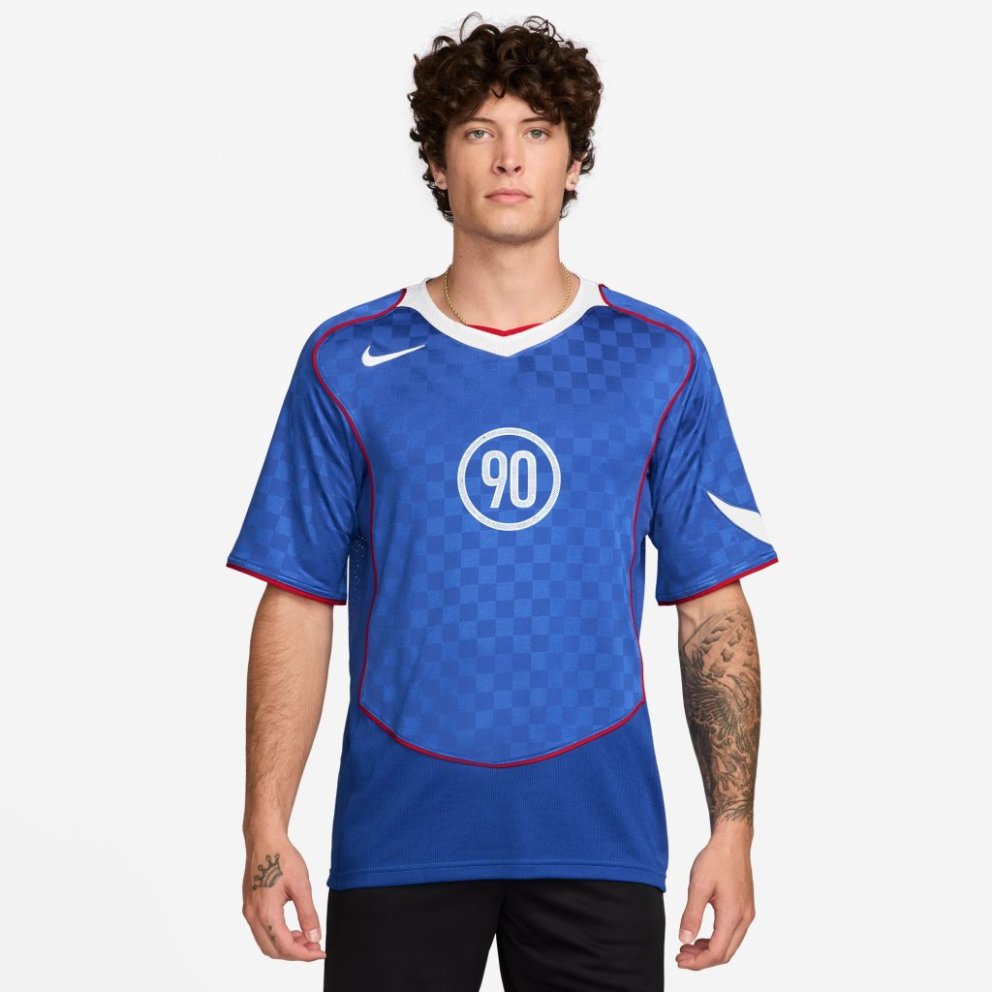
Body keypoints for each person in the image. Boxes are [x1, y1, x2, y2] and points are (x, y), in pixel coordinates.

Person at [227, 12, 779, 990]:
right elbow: (299, 598)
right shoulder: (347, 361)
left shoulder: (657, 360)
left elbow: (711, 608)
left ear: (575, 162)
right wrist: (265, 828)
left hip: (598, 837)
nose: (509, 157)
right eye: (478, 131)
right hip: (399, 836)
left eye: (537, 131)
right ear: (437, 164)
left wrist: (731, 829)